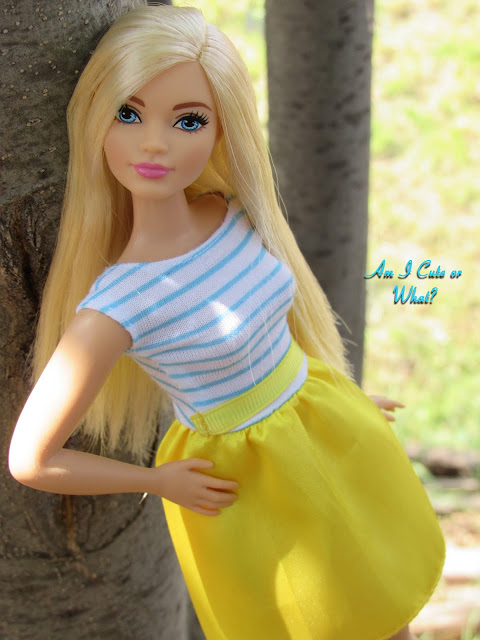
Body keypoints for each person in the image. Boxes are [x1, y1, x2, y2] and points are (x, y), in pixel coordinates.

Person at [9, 6, 445, 639]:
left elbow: (273, 329)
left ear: (221, 131)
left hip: (323, 429)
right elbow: (32, 459)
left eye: (188, 120)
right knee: (324, 621)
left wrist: (337, 400)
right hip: (251, 482)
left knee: (383, 600)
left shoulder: (232, 212)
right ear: (94, 119)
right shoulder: (120, 304)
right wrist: (156, 481)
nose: (154, 143)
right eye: (128, 114)